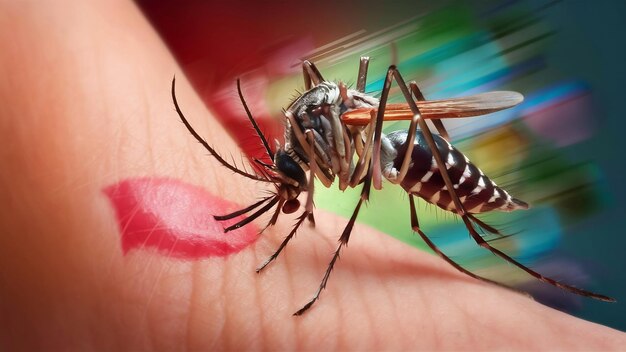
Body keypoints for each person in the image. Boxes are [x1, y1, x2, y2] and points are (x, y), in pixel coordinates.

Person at [0, 1, 624, 350]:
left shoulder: (323, 130)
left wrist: (321, 272)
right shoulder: (299, 135)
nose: (288, 195)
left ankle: (485, 235)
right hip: (383, 134)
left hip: (408, 147)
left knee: (384, 145)